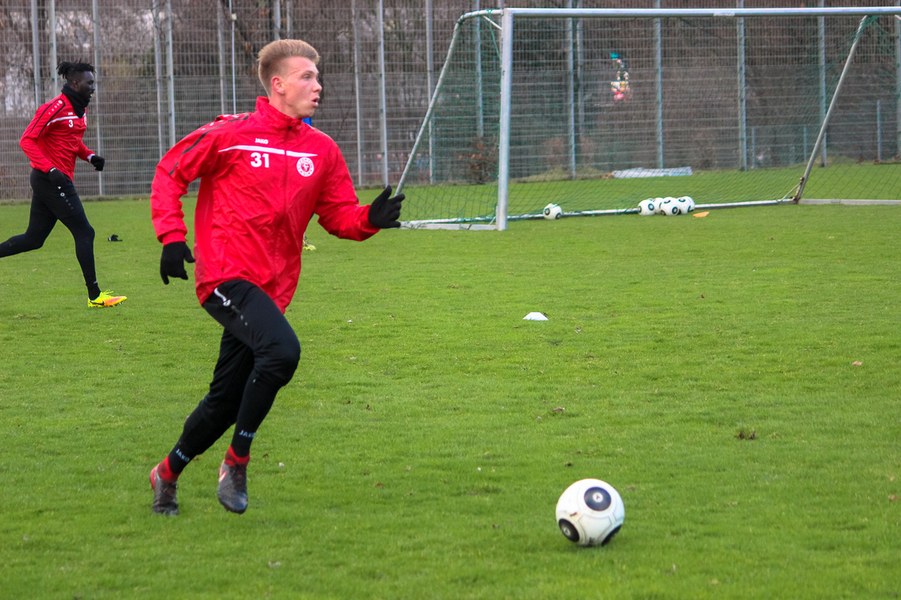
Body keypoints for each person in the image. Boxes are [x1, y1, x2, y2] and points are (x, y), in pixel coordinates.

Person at [148, 39, 404, 516]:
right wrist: (171, 236)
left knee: (225, 401)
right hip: (225, 276)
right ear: (278, 84)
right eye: (307, 76)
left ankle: (166, 472)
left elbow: (339, 216)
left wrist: (370, 217)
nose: (317, 85)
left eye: (317, 76)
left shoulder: (322, 150)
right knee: (283, 351)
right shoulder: (231, 134)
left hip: (274, 289)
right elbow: (170, 173)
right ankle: (237, 461)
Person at [1, 61, 126, 308]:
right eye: (89, 83)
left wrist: (90, 156)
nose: (93, 87)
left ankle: (95, 297)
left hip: (55, 179)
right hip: (50, 180)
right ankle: (95, 296)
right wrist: (50, 169)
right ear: (75, 83)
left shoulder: (80, 109)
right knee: (85, 232)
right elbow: (26, 140)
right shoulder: (53, 108)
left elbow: (71, 141)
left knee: (33, 239)